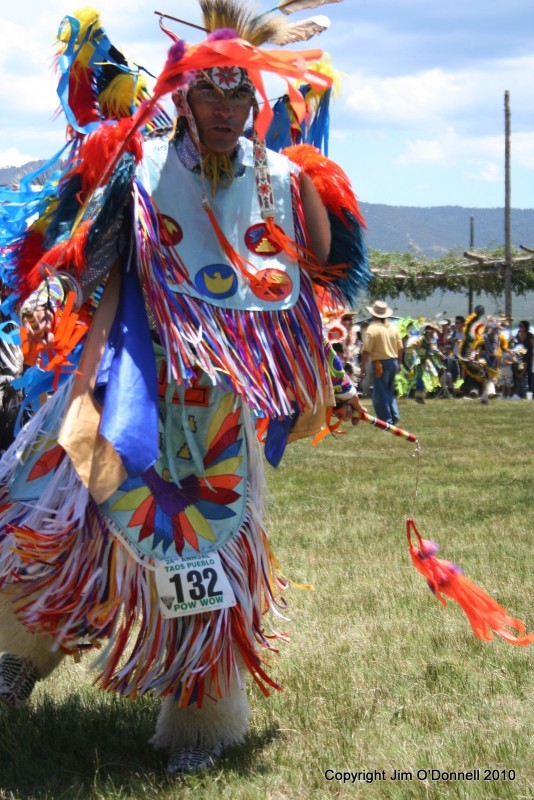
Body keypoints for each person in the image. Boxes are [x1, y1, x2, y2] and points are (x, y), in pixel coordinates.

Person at [0, 1, 368, 776]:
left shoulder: (279, 178)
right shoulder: (144, 166)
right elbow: (90, 257)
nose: (228, 109)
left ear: (256, 100)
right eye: (212, 93)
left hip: (218, 405)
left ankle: (200, 725)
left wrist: (316, 194)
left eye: (241, 95)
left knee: (208, 546)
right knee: (68, 518)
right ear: (184, 93)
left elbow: (325, 268)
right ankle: (18, 656)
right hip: (134, 377)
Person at [359, 300, 403, 423]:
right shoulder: (393, 327)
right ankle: (394, 416)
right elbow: (400, 347)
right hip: (393, 361)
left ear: (374, 315)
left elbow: (366, 350)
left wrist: (362, 366)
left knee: (380, 392)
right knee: (389, 390)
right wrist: (399, 363)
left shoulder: (372, 329)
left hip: (379, 363)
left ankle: (385, 419)